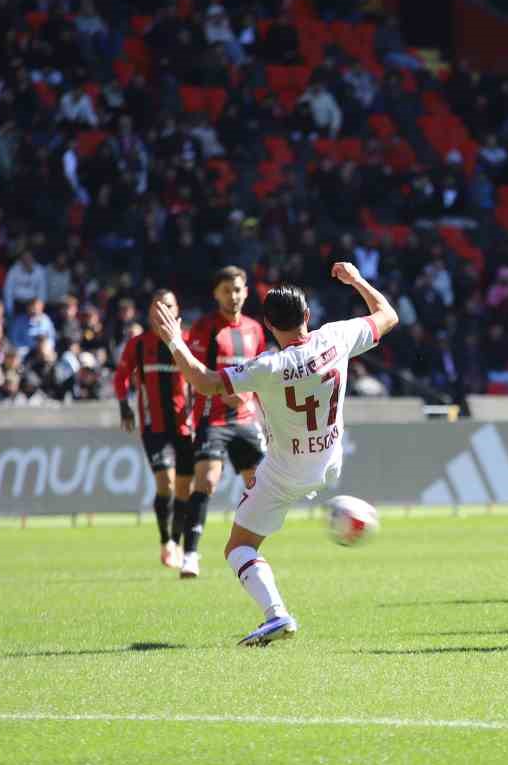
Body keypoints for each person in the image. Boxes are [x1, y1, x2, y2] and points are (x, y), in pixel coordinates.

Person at [150, 262, 396, 646]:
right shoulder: (337, 337)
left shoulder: (268, 366)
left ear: (267, 324)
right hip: (329, 463)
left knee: (238, 547)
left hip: (283, 474)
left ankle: (276, 615)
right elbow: (388, 315)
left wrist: (173, 340)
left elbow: (203, 381)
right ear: (308, 316)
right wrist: (357, 281)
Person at [181, 266, 270, 578]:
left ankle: (248, 549)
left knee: (260, 487)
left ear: (246, 292)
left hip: (245, 419)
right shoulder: (206, 329)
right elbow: (193, 374)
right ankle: (190, 553)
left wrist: (264, 414)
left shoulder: (255, 330)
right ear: (215, 293)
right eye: (226, 290)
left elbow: (261, 377)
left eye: (237, 290)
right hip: (213, 418)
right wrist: (219, 394)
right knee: (206, 481)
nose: (233, 296)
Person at [114, 290, 197, 570]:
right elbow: (121, 377)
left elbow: (203, 377)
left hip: (185, 426)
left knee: (186, 488)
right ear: (150, 313)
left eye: (169, 306)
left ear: (177, 310)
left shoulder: (187, 341)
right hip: (154, 427)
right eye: (158, 307)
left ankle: (176, 540)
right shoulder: (138, 345)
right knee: (167, 483)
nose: (163, 311)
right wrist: (124, 406)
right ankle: (166, 542)